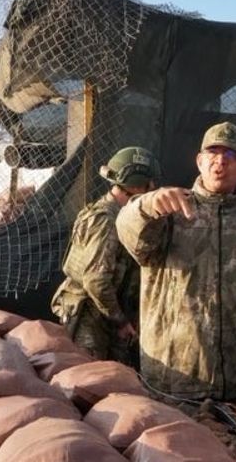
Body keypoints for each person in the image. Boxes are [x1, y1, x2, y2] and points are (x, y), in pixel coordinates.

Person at [117, 123, 236, 433]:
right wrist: (145, 205)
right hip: (177, 381)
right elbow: (130, 232)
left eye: (231, 155)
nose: (221, 161)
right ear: (199, 161)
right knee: (175, 457)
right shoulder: (167, 212)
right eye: (213, 153)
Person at [50, 146, 159, 364]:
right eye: (149, 184)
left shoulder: (109, 212)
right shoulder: (108, 220)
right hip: (89, 316)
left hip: (100, 313)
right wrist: (120, 321)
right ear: (137, 185)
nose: (153, 189)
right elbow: (96, 280)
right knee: (88, 377)